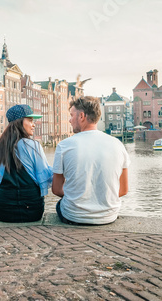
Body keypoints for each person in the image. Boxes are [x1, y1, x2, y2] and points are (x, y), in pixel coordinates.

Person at [52, 96, 130, 225]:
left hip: (74, 216)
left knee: (60, 204)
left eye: (71, 115)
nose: (70, 120)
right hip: (108, 215)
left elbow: (56, 189)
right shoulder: (118, 144)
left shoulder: (64, 145)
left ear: (81, 116)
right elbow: (123, 190)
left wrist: (79, 197)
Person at [0, 104, 53, 223]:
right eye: (30, 120)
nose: (33, 124)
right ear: (20, 122)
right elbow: (45, 178)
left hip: (3, 211)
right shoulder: (33, 146)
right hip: (31, 211)